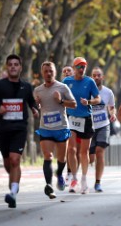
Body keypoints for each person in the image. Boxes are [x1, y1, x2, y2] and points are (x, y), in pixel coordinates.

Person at [0, 54, 39, 208]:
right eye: (10, 64)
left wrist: (35, 109)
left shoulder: (26, 87)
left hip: (19, 129)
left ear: (20, 67)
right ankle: (14, 183)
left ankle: (12, 193)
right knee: (8, 163)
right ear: (7, 67)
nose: (13, 66)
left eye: (16, 64)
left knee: (15, 160)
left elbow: (31, 101)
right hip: (3, 130)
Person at [34, 61, 76, 199]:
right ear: (42, 73)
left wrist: (61, 101)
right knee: (48, 156)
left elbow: (74, 104)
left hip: (61, 128)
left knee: (61, 158)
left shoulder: (62, 87)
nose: (48, 73)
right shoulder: (38, 90)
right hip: (45, 128)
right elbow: (35, 108)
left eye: (51, 71)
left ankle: (59, 174)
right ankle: (49, 186)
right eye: (46, 71)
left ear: (55, 72)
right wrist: (36, 105)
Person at [62, 57, 101, 194]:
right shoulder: (67, 81)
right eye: (79, 66)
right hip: (71, 118)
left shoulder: (89, 82)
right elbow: (60, 96)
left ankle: (84, 179)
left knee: (83, 152)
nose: (81, 68)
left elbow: (98, 99)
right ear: (74, 67)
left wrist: (89, 102)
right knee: (71, 149)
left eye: (83, 66)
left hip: (86, 119)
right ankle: (73, 179)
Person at [89, 67, 116, 192]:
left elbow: (111, 107)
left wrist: (113, 114)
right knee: (91, 157)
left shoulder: (108, 92)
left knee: (100, 151)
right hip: (88, 126)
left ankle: (98, 182)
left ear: (102, 77)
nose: (96, 77)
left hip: (103, 125)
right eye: (94, 75)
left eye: (98, 75)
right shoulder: (87, 91)